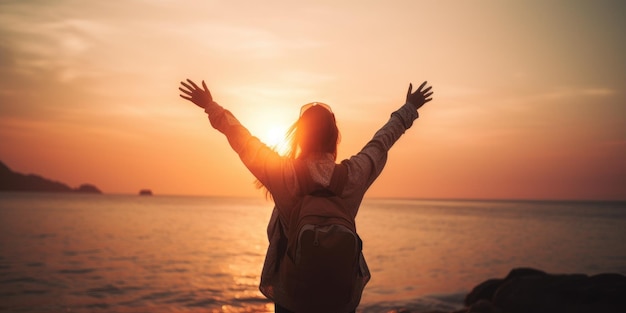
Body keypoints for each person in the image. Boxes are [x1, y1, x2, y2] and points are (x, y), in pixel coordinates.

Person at [179, 79, 433, 313]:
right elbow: (381, 142)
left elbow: (243, 140)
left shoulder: (283, 173)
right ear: (334, 136)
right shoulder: (353, 174)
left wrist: (210, 106)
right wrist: (409, 108)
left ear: (300, 136)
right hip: (339, 298)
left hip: (293, 298)